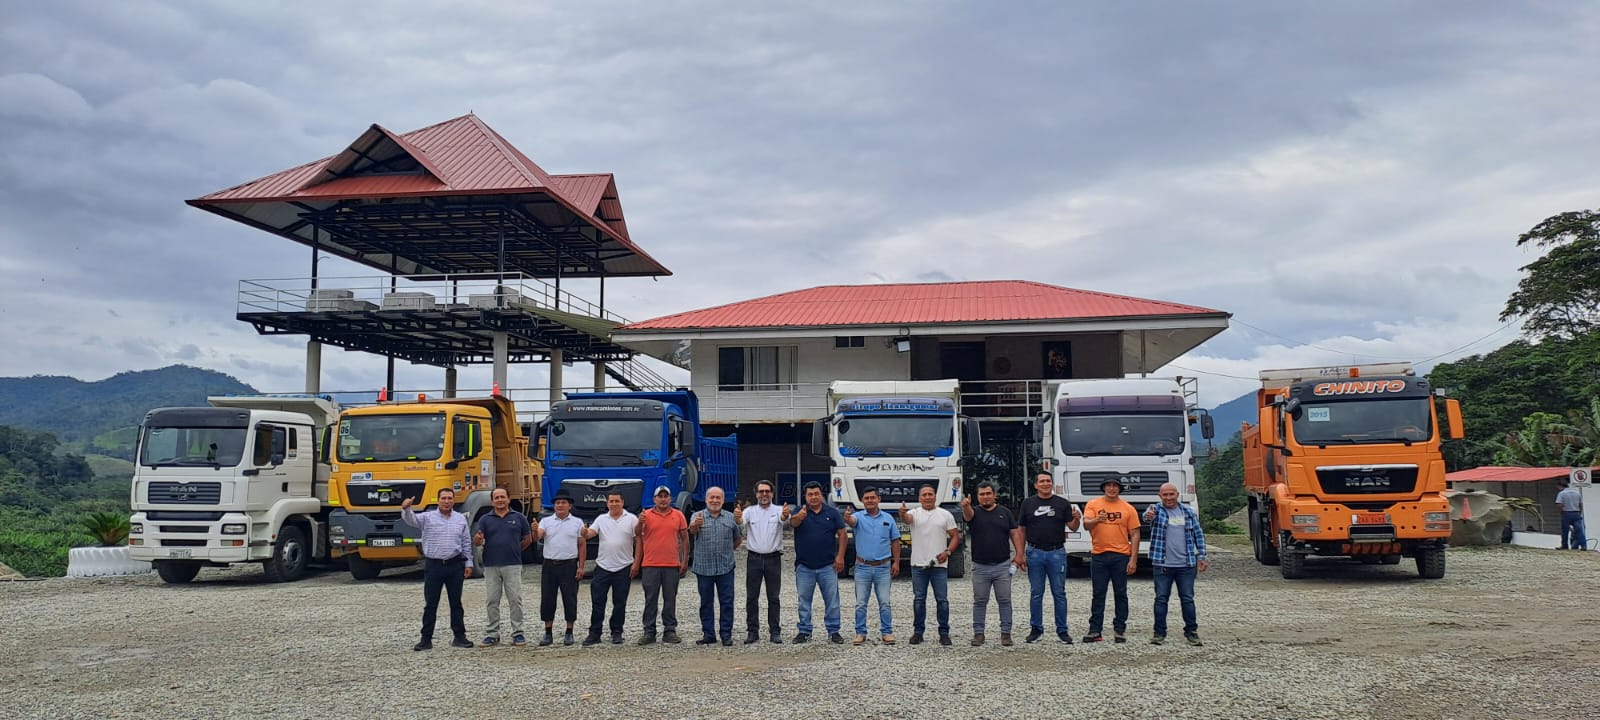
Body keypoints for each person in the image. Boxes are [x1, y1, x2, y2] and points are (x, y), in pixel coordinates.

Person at [400, 489, 474, 651]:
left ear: (454, 501)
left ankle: (459, 636)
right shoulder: (427, 517)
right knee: (431, 604)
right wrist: (406, 509)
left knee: (456, 603)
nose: (446, 501)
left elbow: (466, 543)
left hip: (455, 565)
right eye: (443, 498)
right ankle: (426, 639)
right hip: (434, 566)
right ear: (438, 500)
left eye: (449, 498)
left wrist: (468, 564)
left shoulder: (460, 519)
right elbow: (411, 520)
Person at [1018, 472, 1080, 643]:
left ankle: (1062, 630)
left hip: (1057, 553)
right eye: (1042, 481)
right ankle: (1036, 629)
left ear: (1052, 484)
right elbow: (1021, 529)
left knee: (1059, 593)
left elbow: (1073, 527)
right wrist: (1020, 553)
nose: (1045, 484)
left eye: (1048, 481)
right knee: (1036, 593)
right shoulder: (1028, 504)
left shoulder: (1062, 503)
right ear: (1036, 485)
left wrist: (1077, 520)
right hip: (1035, 552)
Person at [1143, 482, 1207, 646]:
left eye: (1171, 494)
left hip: (1186, 564)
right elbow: (1147, 517)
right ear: (1160, 496)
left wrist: (1202, 556)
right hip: (1162, 564)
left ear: (1177, 495)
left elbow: (1198, 535)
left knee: (1187, 599)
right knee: (1161, 599)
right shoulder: (1156, 510)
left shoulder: (1188, 512)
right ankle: (1159, 633)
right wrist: (1148, 516)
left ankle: (1191, 632)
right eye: (1165, 495)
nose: (1169, 498)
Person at [962, 481, 1024, 646]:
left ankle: (1006, 634)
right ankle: (979, 634)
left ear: (994, 495)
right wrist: (966, 506)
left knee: (1004, 600)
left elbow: (1015, 533)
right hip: (980, 566)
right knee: (980, 601)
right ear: (977, 497)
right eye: (981, 494)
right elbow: (968, 516)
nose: (985, 497)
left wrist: (1019, 554)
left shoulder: (1005, 512)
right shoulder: (974, 512)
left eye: (988, 493)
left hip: (1002, 565)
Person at [473, 487, 533, 647]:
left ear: (508, 499)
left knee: (515, 600)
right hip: (491, 565)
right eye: (496, 497)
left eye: (502, 497)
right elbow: (477, 541)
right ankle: (492, 634)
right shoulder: (485, 519)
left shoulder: (519, 517)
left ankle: (518, 633)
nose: (500, 500)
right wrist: (478, 540)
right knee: (492, 600)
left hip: (513, 565)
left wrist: (515, 550)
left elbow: (528, 539)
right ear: (492, 501)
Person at [1082, 478, 1140, 644]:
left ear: (1119, 489)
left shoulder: (1128, 508)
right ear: (1103, 488)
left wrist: (1133, 559)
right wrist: (1096, 520)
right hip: (1099, 554)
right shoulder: (1093, 504)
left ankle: (1119, 629)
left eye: (1115, 486)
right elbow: (1086, 525)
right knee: (1098, 593)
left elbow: (1135, 534)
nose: (1112, 489)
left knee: (1120, 593)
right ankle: (1095, 630)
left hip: (1120, 555)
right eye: (1108, 486)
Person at [789, 481, 847, 644]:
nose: (813, 497)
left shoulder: (832, 512)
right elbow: (792, 523)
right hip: (804, 566)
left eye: (816, 494)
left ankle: (834, 631)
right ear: (805, 496)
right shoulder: (799, 511)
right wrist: (799, 518)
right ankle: (804, 631)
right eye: (810, 494)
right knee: (804, 601)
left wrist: (840, 556)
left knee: (832, 601)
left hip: (828, 565)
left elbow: (842, 534)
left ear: (821, 495)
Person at [902, 487, 960, 646]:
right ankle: (918, 632)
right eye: (924, 495)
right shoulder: (915, 513)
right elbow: (907, 519)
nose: (927, 497)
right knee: (919, 600)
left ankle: (944, 632)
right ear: (919, 498)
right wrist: (902, 513)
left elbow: (955, 536)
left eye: (930, 494)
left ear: (935, 496)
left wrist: (948, 551)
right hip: (918, 565)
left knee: (942, 600)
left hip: (939, 565)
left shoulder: (945, 515)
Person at [844, 487, 900, 645]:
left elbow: (895, 541)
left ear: (878, 499)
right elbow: (851, 521)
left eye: (872, 498)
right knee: (861, 602)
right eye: (866, 498)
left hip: (883, 567)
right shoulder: (858, 517)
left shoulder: (888, 518)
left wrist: (896, 562)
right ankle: (860, 632)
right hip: (862, 567)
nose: (869, 500)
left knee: (884, 602)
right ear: (862, 501)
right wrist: (847, 517)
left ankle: (887, 632)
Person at [581, 491, 638, 646]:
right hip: (603, 566)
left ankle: (617, 631)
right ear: (607, 503)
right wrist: (585, 532)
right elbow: (591, 533)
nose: (614, 504)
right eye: (611, 501)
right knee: (598, 601)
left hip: (624, 566)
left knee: (620, 602)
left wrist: (636, 563)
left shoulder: (632, 519)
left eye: (617, 501)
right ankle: (594, 633)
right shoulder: (601, 519)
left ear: (622, 502)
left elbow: (639, 540)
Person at [634, 485, 689, 645]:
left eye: (666, 496)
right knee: (650, 599)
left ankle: (670, 630)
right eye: (660, 496)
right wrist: (640, 522)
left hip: (672, 564)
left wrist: (684, 560)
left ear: (670, 499)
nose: (663, 499)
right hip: (650, 564)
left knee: (670, 598)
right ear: (654, 499)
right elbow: (637, 535)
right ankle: (649, 631)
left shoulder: (678, 515)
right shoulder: (646, 515)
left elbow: (685, 539)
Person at [690, 487, 743, 645]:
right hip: (703, 568)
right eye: (711, 498)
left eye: (718, 498)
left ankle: (726, 634)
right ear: (706, 500)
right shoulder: (696, 516)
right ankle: (708, 634)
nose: (714, 501)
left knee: (727, 602)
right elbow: (691, 531)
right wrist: (696, 526)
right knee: (706, 602)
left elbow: (738, 539)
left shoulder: (730, 518)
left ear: (723, 499)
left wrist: (726, 551)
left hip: (725, 567)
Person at [535, 489, 587, 646]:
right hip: (550, 564)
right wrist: (535, 529)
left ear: (569, 506)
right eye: (557, 503)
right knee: (547, 599)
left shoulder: (577, 522)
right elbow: (539, 535)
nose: (560, 505)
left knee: (570, 598)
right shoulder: (546, 521)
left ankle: (569, 632)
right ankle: (548, 632)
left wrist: (581, 566)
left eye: (563, 502)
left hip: (569, 564)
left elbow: (582, 544)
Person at [740, 480, 790, 644]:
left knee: (773, 597)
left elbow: (785, 520)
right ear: (756, 494)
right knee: (752, 597)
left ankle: (775, 631)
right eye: (761, 491)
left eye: (767, 491)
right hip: (754, 558)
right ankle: (752, 631)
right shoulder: (749, 511)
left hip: (773, 559)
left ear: (772, 494)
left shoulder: (779, 511)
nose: (764, 494)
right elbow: (740, 524)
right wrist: (737, 517)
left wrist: (784, 516)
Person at [1556, 480, 1587, 551]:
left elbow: (1559, 504)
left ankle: (1564, 546)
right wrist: (1580, 513)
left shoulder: (1561, 493)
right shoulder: (1577, 493)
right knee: (1579, 530)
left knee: (1565, 531)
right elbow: (1580, 504)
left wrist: (1561, 512)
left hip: (1566, 513)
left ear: (1560, 486)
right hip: (1576, 513)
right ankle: (1583, 545)